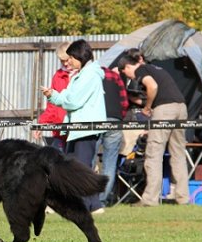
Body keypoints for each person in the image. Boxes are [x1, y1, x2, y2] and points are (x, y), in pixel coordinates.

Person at [40, 39, 106, 214]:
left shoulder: (90, 75)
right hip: (75, 130)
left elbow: (72, 101)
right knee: (72, 168)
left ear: (79, 56)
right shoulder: (81, 74)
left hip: (85, 129)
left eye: (70, 58)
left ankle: (85, 207)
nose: (68, 62)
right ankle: (93, 206)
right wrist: (53, 95)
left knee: (81, 170)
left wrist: (56, 96)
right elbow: (67, 97)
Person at [118, 48, 189, 206]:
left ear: (128, 67)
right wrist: (140, 102)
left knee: (153, 153)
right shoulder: (156, 68)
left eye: (126, 73)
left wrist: (147, 108)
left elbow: (153, 87)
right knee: (178, 153)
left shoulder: (140, 69)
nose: (129, 77)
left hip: (164, 110)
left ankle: (150, 200)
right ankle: (183, 198)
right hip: (181, 107)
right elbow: (160, 93)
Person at [96, 66, 129, 206]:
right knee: (109, 163)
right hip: (115, 120)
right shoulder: (115, 76)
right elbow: (124, 102)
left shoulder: (88, 75)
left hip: (95, 119)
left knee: (89, 160)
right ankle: (102, 201)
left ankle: (89, 199)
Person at [32, 42, 71, 151]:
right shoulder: (57, 77)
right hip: (59, 131)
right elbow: (52, 107)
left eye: (67, 60)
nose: (65, 63)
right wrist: (41, 124)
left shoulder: (81, 76)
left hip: (77, 131)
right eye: (62, 61)